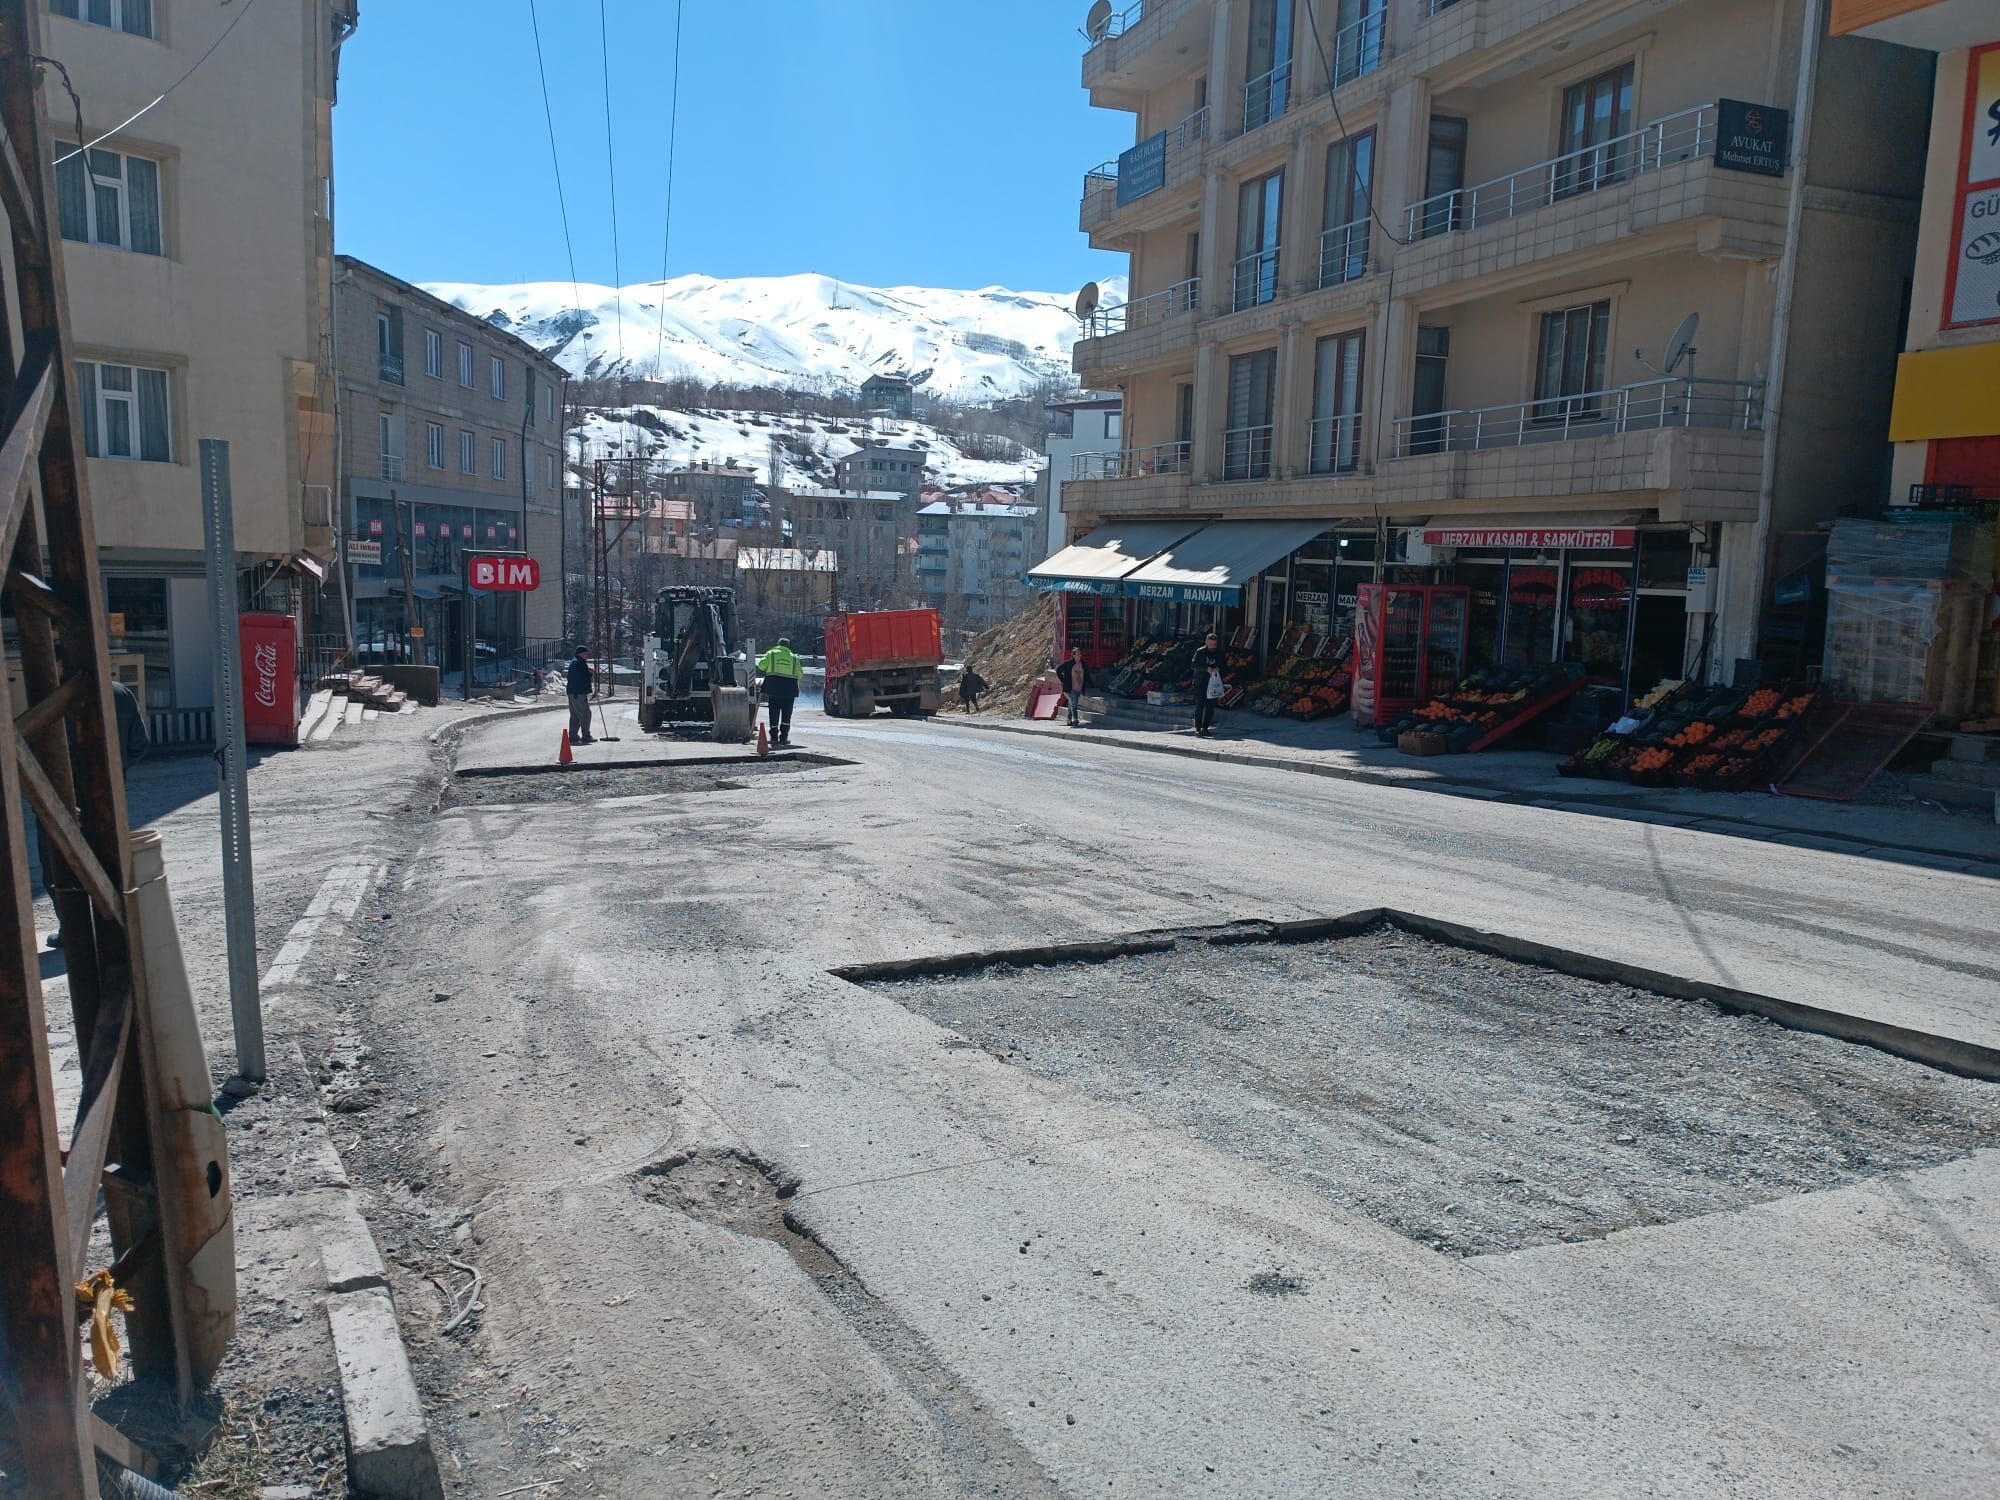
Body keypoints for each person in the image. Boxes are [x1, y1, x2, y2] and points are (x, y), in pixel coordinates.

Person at [46, 680, 149, 949]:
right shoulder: (120, 692)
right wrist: (118, 770)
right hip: (109, 797)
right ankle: (114, 926)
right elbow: (139, 744)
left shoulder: (53, 697)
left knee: (59, 863)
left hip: (60, 798)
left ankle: (73, 929)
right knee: (109, 858)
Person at [756, 637, 803, 744]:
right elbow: (800, 674)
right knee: (787, 714)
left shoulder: (771, 654)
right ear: (788, 647)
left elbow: (761, 666)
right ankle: (784, 738)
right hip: (789, 690)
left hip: (774, 688)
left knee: (774, 712)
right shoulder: (794, 658)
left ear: (778, 644)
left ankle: (773, 737)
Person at [1190, 631, 1223, 738]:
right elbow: (1193, 664)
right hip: (1200, 682)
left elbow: (1224, 664)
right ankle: (1198, 729)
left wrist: (1218, 668)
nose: (1212, 647)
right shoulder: (1200, 652)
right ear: (1206, 643)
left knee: (1210, 707)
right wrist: (1206, 668)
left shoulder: (1218, 652)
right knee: (1199, 706)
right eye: (1210, 644)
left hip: (1213, 683)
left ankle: (1205, 728)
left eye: (1214, 644)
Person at [565, 646, 594, 744]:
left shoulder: (574, 663)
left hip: (571, 692)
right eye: (586, 653)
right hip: (579, 693)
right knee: (585, 714)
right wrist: (589, 673)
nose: (587, 655)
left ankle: (573, 736)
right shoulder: (580, 663)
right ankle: (586, 736)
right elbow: (583, 677)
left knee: (575, 715)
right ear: (580, 653)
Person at [1054, 647, 1087, 727]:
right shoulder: (1068, 663)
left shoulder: (1082, 664)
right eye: (1078, 654)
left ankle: (1069, 720)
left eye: (1080, 654)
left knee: (1071, 704)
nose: (1080, 655)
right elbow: (1058, 670)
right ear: (1073, 655)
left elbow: (1086, 675)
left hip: (1078, 688)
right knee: (1074, 703)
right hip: (1070, 688)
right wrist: (1063, 680)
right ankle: (1075, 719)